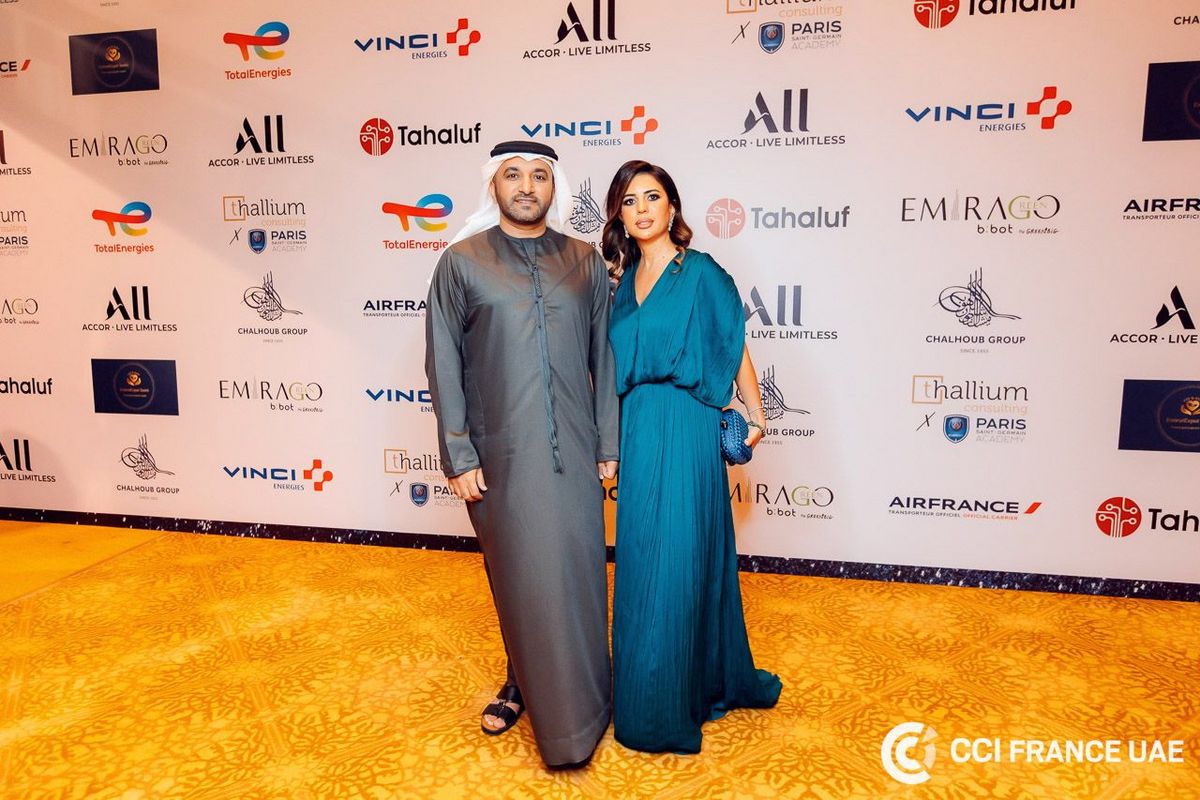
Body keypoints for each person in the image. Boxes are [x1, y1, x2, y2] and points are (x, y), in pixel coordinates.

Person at [424, 141, 620, 769]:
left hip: (576, 449)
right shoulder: (461, 263)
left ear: (553, 187)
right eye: (513, 175)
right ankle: (527, 691)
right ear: (495, 186)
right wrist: (458, 454)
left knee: (577, 574)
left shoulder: (584, 261)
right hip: (500, 453)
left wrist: (608, 442)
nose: (527, 186)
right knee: (521, 575)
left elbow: (605, 357)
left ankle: (588, 697)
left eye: (539, 176)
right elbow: (443, 362)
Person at [602, 160, 782, 754]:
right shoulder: (621, 283)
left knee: (680, 561)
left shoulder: (700, 271)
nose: (642, 209)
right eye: (630, 201)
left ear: (672, 207)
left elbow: (734, 343)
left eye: (652, 197)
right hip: (637, 427)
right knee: (640, 563)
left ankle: (671, 703)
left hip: (687, 424)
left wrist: (757, 414)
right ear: (620, 216)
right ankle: (646, 689)